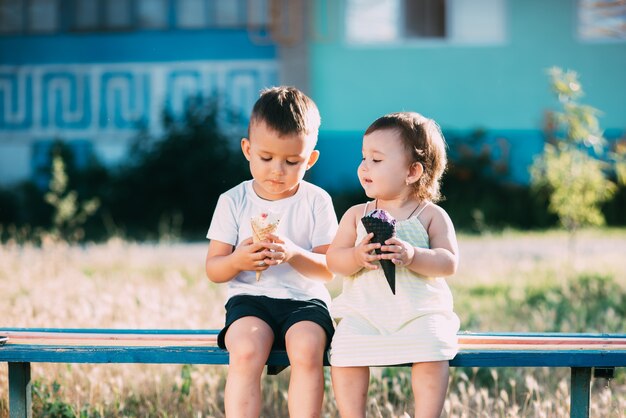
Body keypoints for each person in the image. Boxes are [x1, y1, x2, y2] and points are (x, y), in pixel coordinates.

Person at [205, 86, 337, 418]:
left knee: (307, 350)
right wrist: (237, 260)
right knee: (247, 350)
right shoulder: (233, 201)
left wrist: (293, 253)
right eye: (266, 158)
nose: (277, 170)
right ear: (247, 149)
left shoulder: (316, 200)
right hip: (250, 298)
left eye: (292, 161)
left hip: (305, 301)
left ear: (310, 159)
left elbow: (329, 268)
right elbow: (214, 269)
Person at [327, 112, 460, 418]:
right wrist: (357, 257)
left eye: (376, 159)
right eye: (363, 157)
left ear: (412, 171)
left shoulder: (430, 216)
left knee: (433, 348)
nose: (364, 167)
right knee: (345, 350)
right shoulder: (356, 214)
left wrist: (413, 256)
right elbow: (334, 259)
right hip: (366, 313)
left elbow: (449, 262)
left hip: (418, 313)